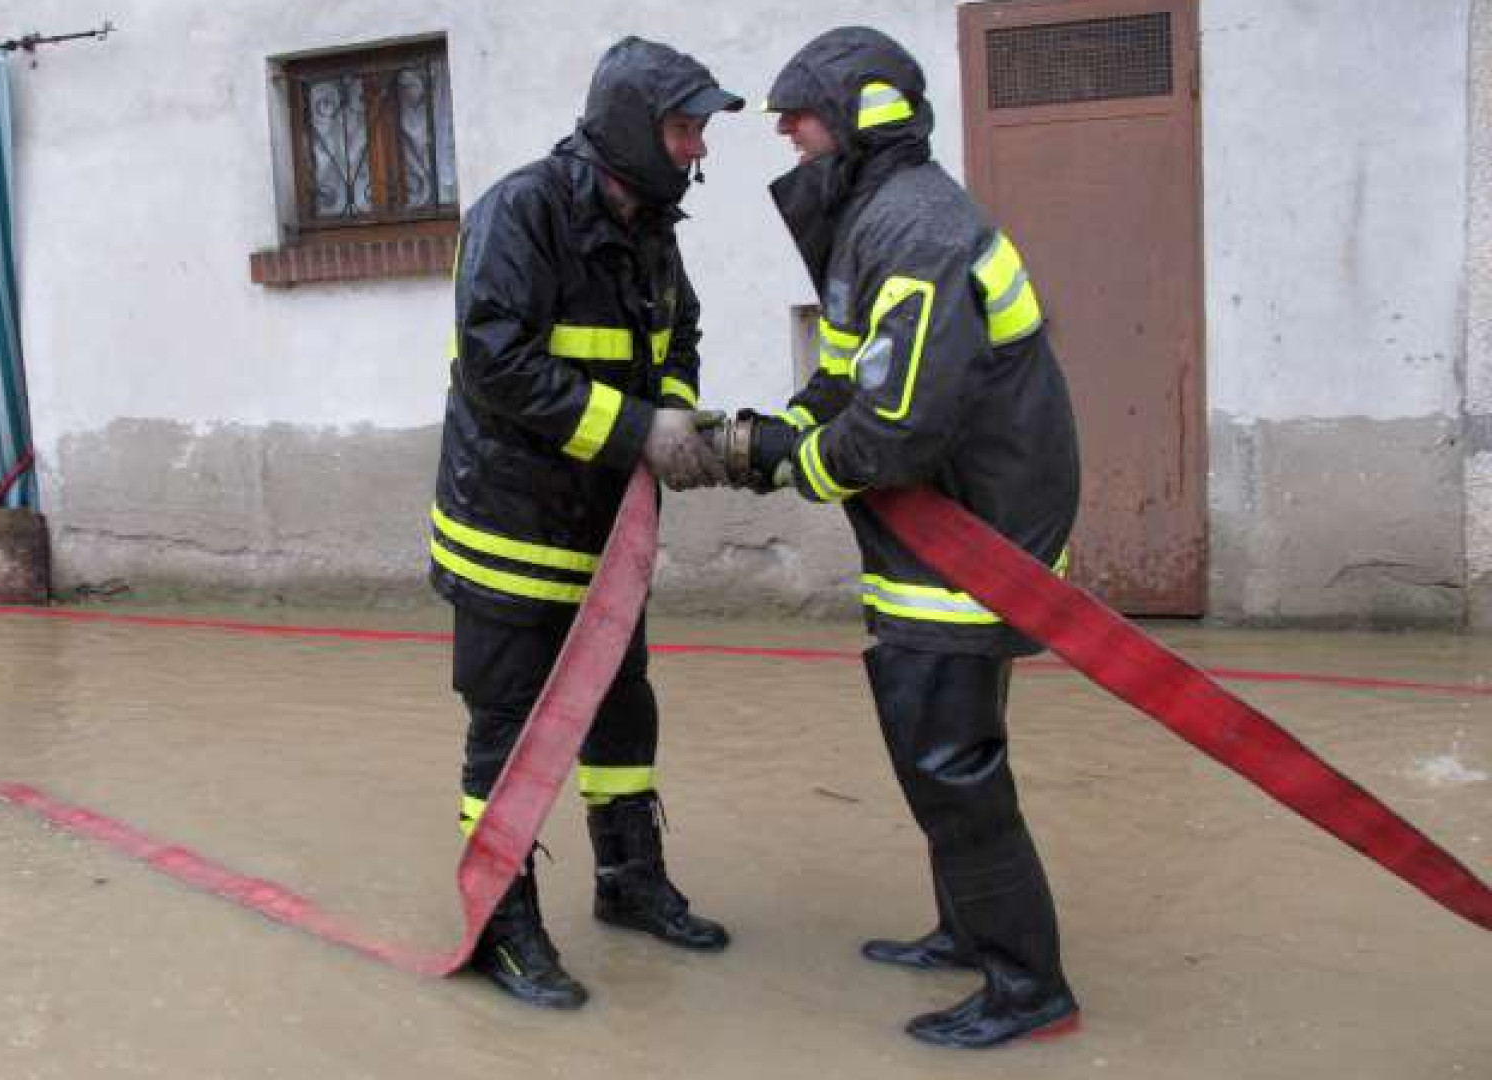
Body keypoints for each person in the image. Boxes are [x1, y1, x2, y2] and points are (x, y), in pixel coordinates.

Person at [741, 26, 1083, 1048]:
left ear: (858, 116)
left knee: (950, 760)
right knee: (942, 745)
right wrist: (787, 425)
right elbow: (854, 374)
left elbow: (897, 426)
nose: (785, 131)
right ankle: (966, 932)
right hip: (948, 519)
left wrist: (796, 467)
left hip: (974, 533)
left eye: (799, 114)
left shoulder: (917, 233)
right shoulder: (873, 221)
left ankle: (1029, 990)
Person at [427, 36, 741, 1010]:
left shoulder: (651, 224)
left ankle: (629, 880)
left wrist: (677, 417)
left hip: (607, 529)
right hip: (512, 528)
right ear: (631, 129)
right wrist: (640, 430)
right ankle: (499, 920)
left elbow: (675, 332)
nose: (696, 149)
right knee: (510, 732)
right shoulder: (522, 212)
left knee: (620, 705)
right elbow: (498, 364)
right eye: (684, 127)